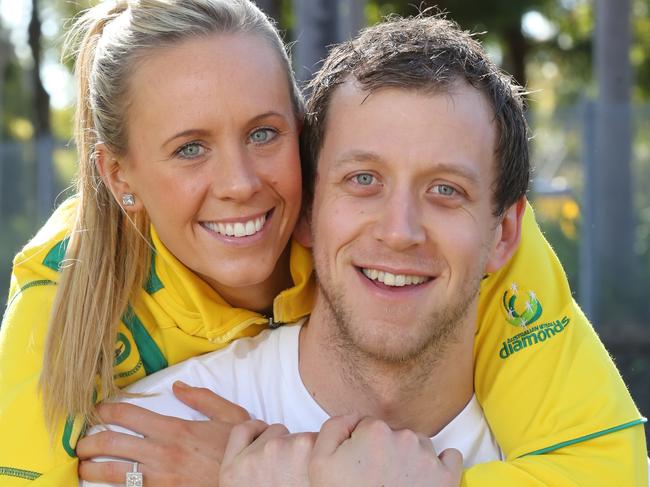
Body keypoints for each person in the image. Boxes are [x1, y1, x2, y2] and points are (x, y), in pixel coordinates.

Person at [0, 0, 644, 485]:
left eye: (263, 133)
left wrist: (282, 469)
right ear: (119, 175)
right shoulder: (62, 298)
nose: (241, 184)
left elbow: (607, 466)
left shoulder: (486, 243)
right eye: (189, 148)